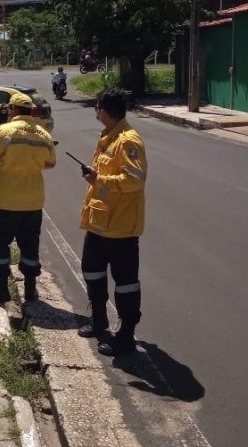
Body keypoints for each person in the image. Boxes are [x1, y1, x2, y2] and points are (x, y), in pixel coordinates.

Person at [76, 88, 147, 356]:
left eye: (97, 108)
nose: (96, 112)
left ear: (104, 112)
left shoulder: (129, 142)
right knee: (92, 272)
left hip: (120, 229)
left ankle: (126, 336)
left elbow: (135, 180)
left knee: (126, 283)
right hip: (98, 223)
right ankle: (98, 319)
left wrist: (99, 180)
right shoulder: (108, 137)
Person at [0, 93, 56, 307]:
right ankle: (30, 290)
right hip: (33, 203)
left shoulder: (4, 131)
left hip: (6, 201)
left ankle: (0, 290)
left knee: (0, 247)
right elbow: (51, 163)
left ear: (12, 110)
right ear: (30, 111)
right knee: (30, 248)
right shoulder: (44, 134)